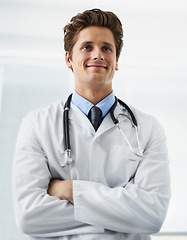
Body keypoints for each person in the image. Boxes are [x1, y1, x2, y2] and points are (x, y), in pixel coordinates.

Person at [12, 8, 171, 240]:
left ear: (116, 61)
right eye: (87, 47)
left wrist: (69, 190)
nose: (98, 55)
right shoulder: (37, 124)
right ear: (69, 58)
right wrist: (121, 216)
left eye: (107, 48)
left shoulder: (148, 128)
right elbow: (29, 216)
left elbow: (152, 215)